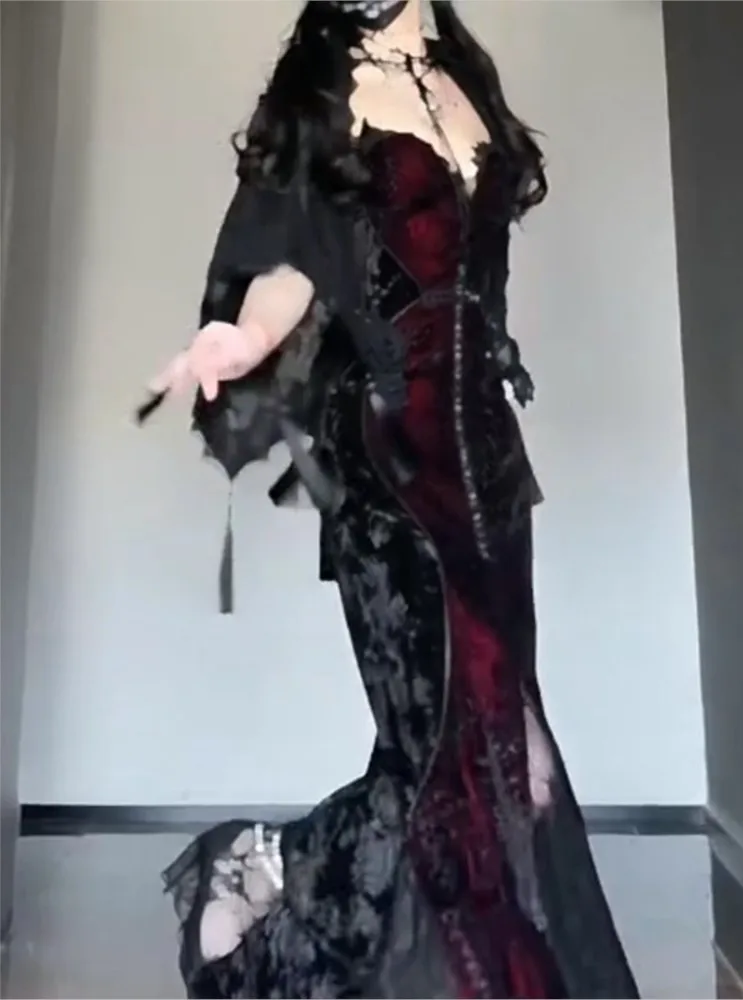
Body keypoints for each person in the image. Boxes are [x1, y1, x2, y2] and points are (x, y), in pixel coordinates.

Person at [151, 2, 640, 997]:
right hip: (389, 472)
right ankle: (272, 874)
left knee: (520, 767)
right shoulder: (328, 99)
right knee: (446, 767)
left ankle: (288, 867)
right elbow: (295, 256)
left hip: (488, 469)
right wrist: (244, 337)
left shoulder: (462, 78)